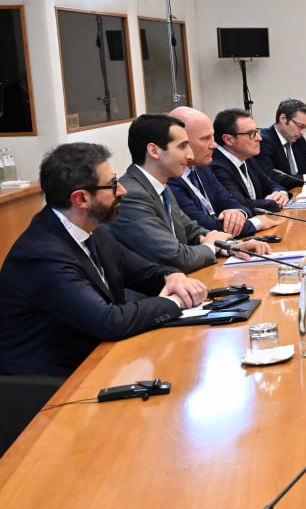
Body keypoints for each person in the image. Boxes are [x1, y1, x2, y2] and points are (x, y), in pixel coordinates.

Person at [0, 143, 207, 376]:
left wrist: (173, 276)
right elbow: (109, 321)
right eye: (112, 185)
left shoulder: (94, 230)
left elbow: (143, 272)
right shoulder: (42, 254)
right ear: (81, 199)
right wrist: (176, 302)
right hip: (51, 384)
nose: (122, 191)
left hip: (96, 361)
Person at [108, 114, 270, 273]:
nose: (190, 155)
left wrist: (231, 247)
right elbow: (175, 257)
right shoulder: (130, 194)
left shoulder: (160, 186)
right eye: (182, 146)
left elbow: (192, 231)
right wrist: (210, 246)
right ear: (154, 151)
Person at [168, 106, 282, 238]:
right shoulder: (170, 177)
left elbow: (235, 203)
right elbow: (203, 226)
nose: (214, 145)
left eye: (212, 137)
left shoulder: (202, 168)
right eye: (205, 139)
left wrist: (238, 213)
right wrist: (255, 223)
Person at [211, 108, 291, 213]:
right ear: (228, 139)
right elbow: (239, 204)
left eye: (256, 131)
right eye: (251, 133)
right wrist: (273, 203)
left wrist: (281, 194)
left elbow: (271, 184)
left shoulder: (247, 157)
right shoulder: (216, 166)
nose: (259, 138)